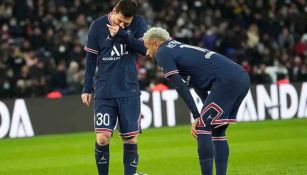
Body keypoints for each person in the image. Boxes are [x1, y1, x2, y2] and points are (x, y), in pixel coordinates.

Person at [143, 27, 250, 175]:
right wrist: (203, 113)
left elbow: (179, 86)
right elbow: (198, 84)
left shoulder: (163, 52)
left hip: (227, 81)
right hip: (241, 77)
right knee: (217, 130)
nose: (147, 53)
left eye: (147, 47)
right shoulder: (178, 48)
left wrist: (196, 116)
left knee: (202, 128)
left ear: (155, 43)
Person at [80, 0, 147, 174]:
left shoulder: (139, 23)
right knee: (102, 138)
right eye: (120, 21)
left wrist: (122, 33)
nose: (123, 24)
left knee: (130, 139)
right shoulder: (97, 26)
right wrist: (87, 87)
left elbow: (144, 49)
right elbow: (91, 59)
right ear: (115, 11)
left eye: (127, 23)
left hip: (129, 90)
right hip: (105, 91)